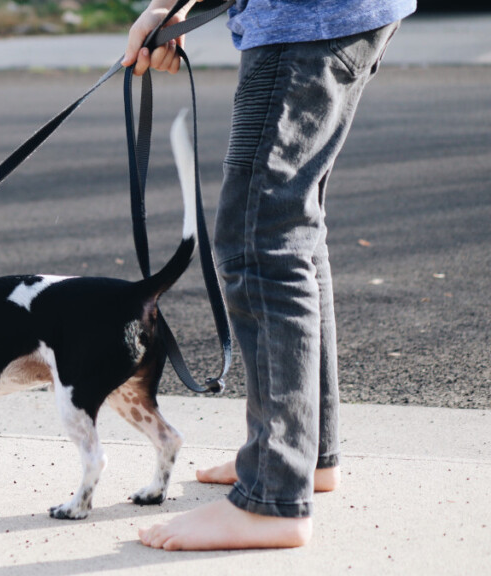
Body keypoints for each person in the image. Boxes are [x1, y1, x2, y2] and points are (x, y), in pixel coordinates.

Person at [121, 0, 416, 550]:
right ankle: (305, 456)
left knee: (260, 240)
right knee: (290, 229)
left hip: (305, 21)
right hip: (348, 14)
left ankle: (273, 496)